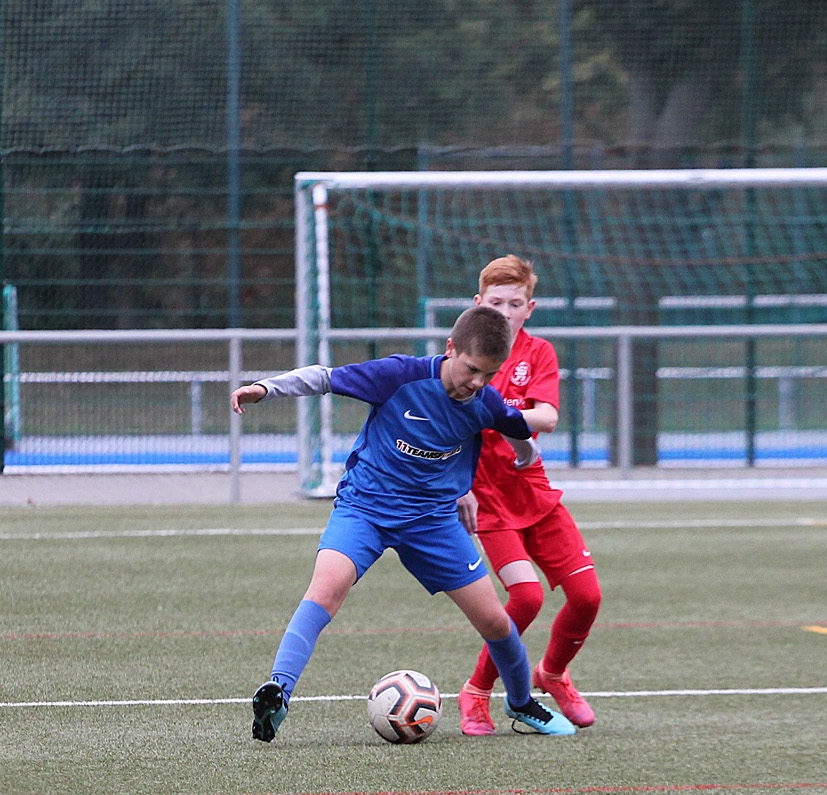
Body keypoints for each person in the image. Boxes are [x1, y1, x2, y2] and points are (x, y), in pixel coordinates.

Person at [230, 305, 576, 742]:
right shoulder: (400, 376)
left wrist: (524, 461)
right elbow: (323, 377)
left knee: (494, 621)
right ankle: (278, 692)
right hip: (365, 509)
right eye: (471, 369)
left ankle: (521, 702)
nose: (477, 382)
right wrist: (265, 388)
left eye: (489, 374)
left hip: (432, 521)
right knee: (325, 590)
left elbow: (516, 431)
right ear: (450, 348)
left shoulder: (485, 401)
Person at [456, 256, 601, 736]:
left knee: (587, 597)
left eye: (514, 304)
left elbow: (548, 418)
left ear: (529, 308)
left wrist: (494, 413)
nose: (504, 312)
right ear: (478, 304)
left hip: (534, 491)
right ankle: (476, 692)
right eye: (495, 303)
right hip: (488, 499)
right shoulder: (461, 356)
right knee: (526, 597)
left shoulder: (538, 353)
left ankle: (553, 674)